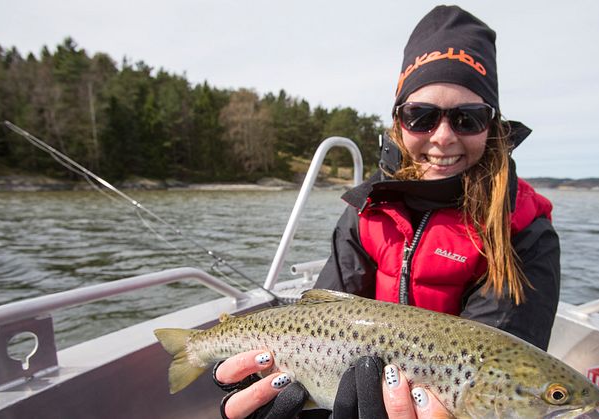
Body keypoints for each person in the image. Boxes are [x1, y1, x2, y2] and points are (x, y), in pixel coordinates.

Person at [213, 5, 560, 419]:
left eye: (468, 118)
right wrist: (257, 384)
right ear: (398, 122)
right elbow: (321, 317)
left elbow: (493, 387)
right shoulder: (365, 210)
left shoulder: (523, 230)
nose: (443, 137)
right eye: (422, 116)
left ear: (493, 125)